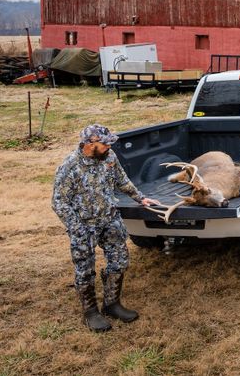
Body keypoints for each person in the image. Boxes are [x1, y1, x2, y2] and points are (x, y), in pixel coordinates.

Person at [52, 124, 161, 332]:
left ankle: (112, 304)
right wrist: (77, 228)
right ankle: (91, 313)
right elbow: (59, 202)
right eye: (105, 143)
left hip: (110, 220)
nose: (109, 147)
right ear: (89, 144)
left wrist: (141, 198)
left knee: (120, 261)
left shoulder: (109, 158)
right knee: (85, 270)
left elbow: (122, 180)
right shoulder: (70, 167)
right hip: (84, 226)